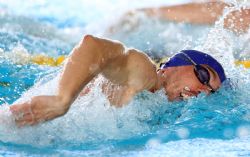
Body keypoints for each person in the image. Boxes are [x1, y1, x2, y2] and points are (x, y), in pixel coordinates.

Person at [10, 1, 250, 127]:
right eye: (204, 78)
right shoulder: (147, 74)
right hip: (25, 114)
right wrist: (61, 100)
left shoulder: (156, 107)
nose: (203, 91)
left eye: (211, 92)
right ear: (176, 63)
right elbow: (92, 45)